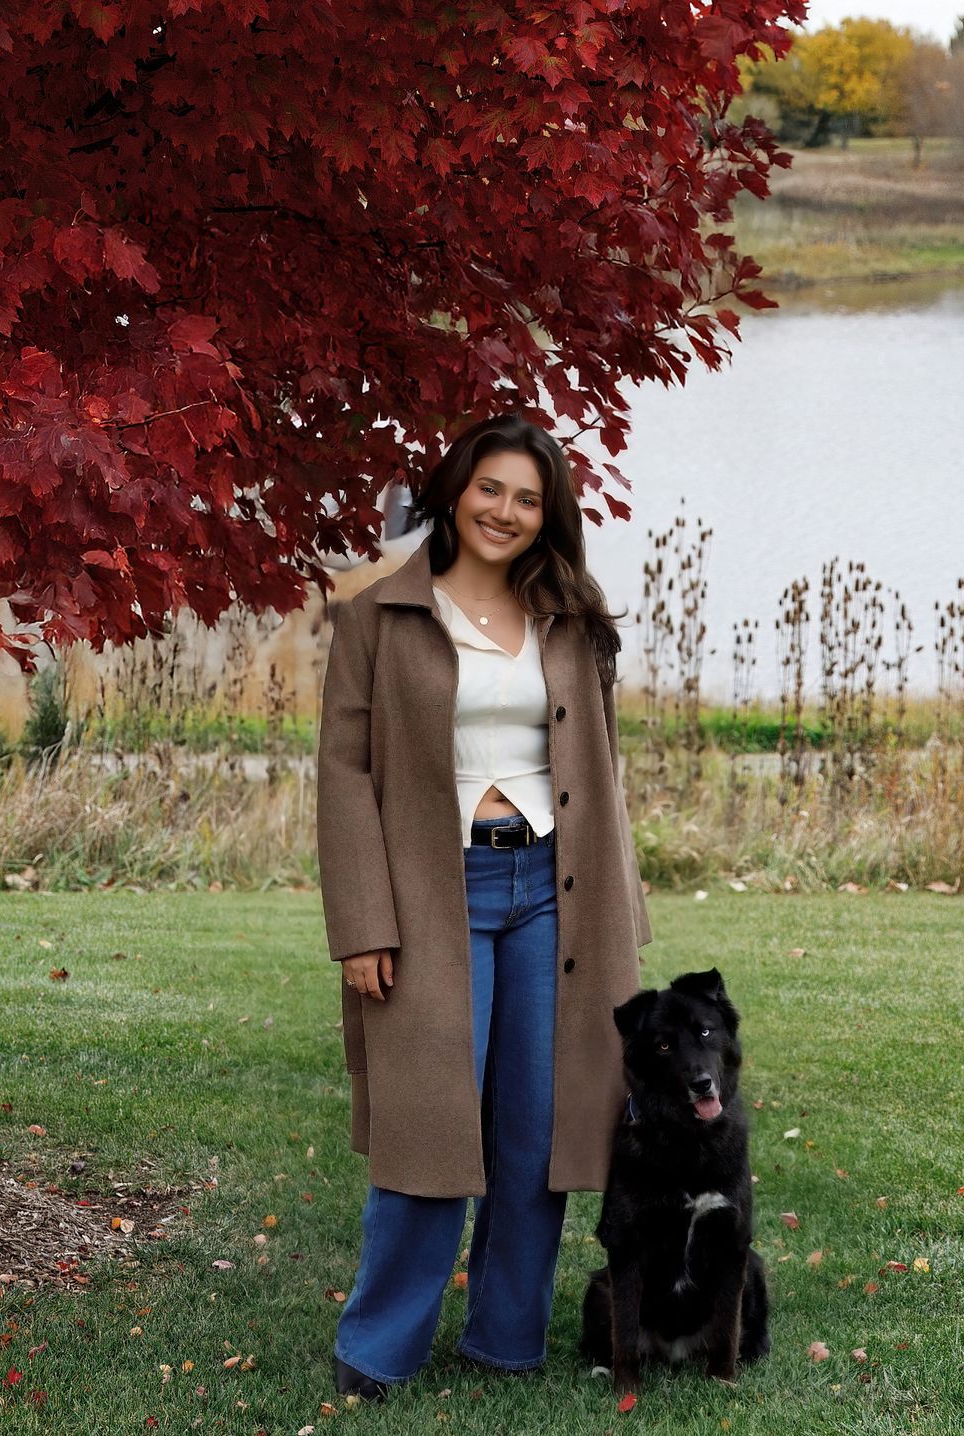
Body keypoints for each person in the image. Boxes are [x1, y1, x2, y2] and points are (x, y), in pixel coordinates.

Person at [316, 412, 652, 1400]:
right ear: (454, 491)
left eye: (528, 497)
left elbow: (601, 771)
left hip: (554, 893)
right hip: (434, 895)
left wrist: (620, 917)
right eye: (490, 488)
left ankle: (508, 1338)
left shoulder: (570, 619)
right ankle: (378, 1348)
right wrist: (363, 923)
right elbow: (341, 775)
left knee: (536, 1129)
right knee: (426, 1127)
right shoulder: (377, 617)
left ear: (546, 515)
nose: (505, 511)